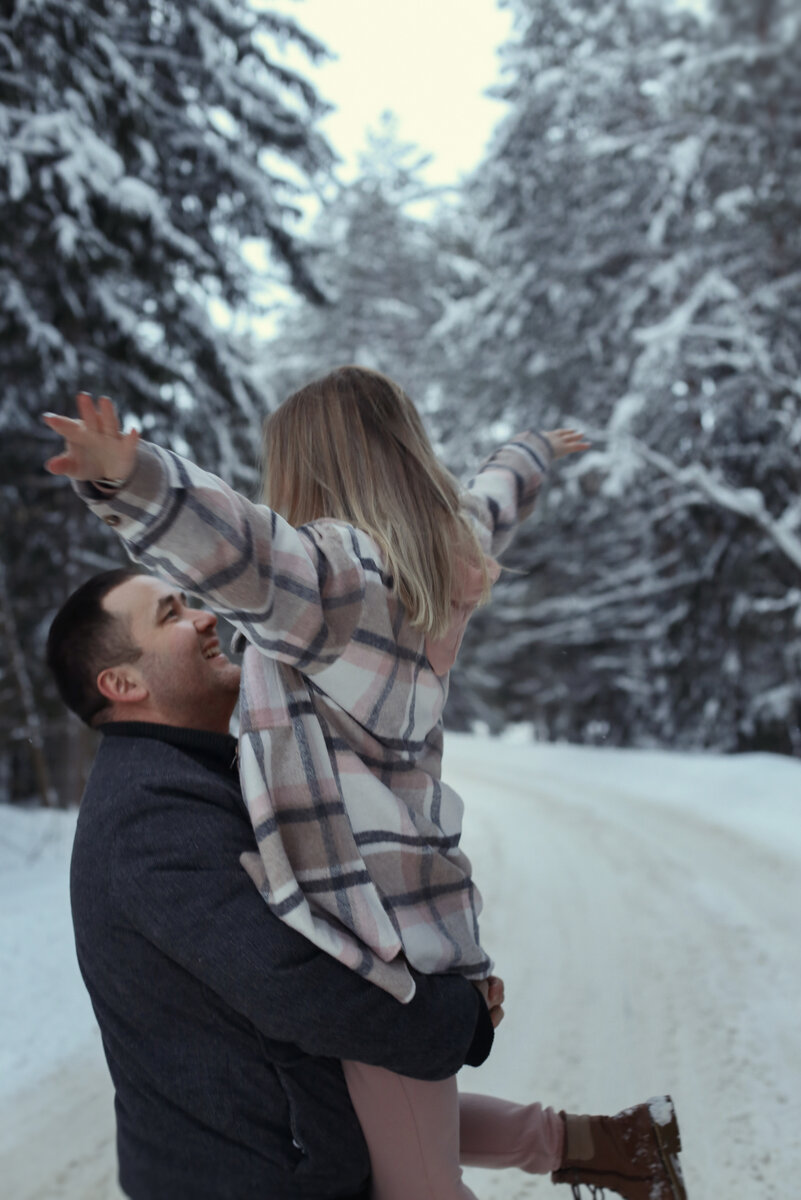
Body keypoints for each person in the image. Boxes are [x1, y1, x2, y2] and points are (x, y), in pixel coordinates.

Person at [44, 372, 687, 1200]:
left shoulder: (329, 581)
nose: (207, 616)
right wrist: (526, 455)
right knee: (392, 1120)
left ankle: (624, 1152)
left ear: (306, 471)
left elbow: (234, 542)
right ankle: (621, 1148)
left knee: (418, 1182)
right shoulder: (430, 564)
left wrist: (130, 479)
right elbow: (483, 507)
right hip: (409, 919)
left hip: (374, 937)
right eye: (171, 616)